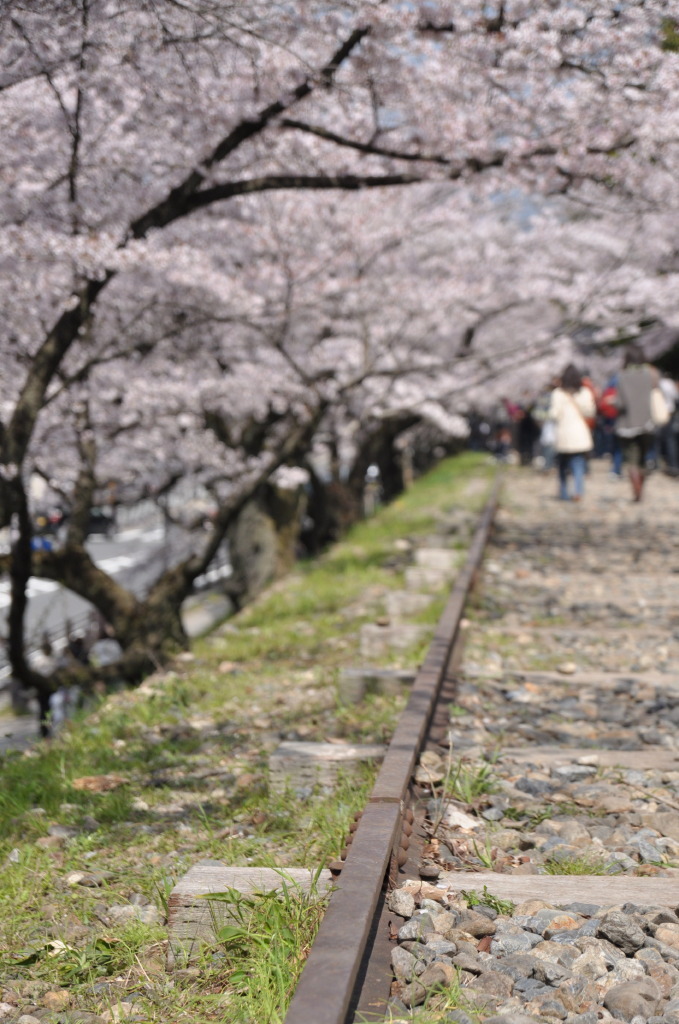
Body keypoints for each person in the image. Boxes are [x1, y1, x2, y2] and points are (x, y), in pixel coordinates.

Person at [614, 345, 660, 502]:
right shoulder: (651, 374)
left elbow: (620, 403)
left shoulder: (622, 376)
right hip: (647, 423)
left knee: (632, 460)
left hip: (627, 424)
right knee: (643, 458)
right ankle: (641, 488)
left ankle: (637, 491)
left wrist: (612, 402)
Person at [547, 364, 595, 502]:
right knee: (578, 463)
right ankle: (578, 491)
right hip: (580, 432)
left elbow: (554, 414)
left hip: (563, 433)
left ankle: (563, 492)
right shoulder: (585, 392)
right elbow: (590, 412)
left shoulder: (558, 393)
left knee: (562, 465)